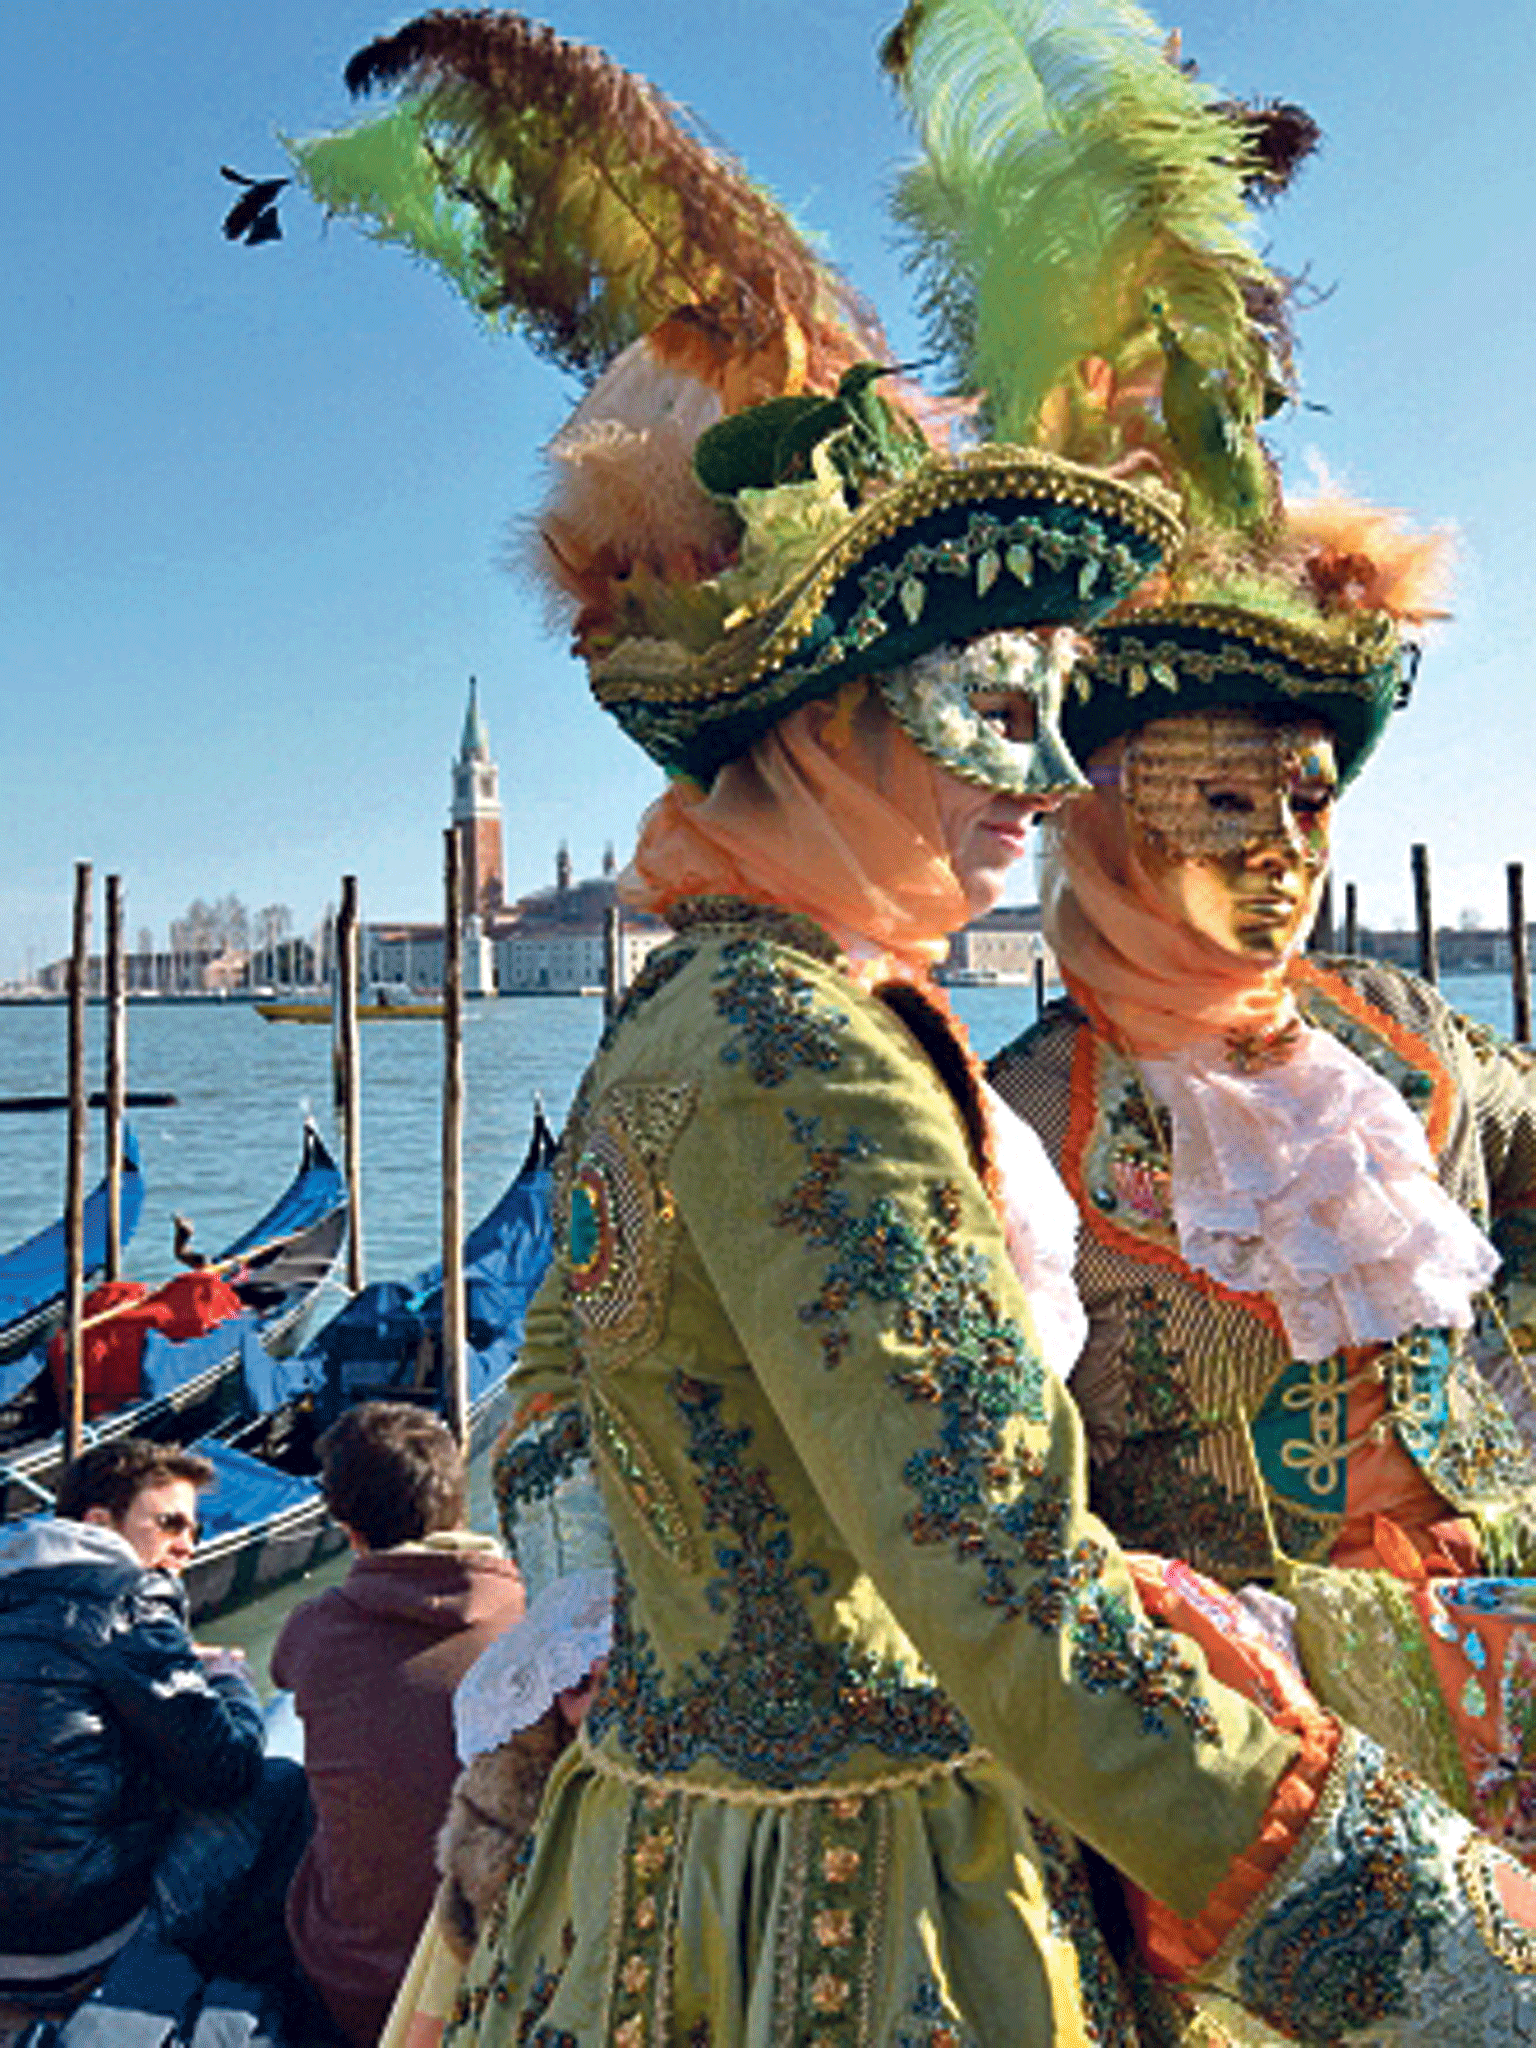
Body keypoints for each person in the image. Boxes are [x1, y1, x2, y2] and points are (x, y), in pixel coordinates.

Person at [285, 6, 1536, 2042]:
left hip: (682, 1865)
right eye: (992, 706)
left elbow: (579, 1450)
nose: (1048, 781)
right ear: (825, 713)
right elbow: (1006, 1602)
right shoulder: (808, 1051)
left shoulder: (704, 1009)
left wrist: (699, 1618)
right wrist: (1465, 1956)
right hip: (869, 1913)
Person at [987, 533, 1536, 1861]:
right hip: (1249, 1746)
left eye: (1308, 802)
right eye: (1225, 805)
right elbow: (982, 1490)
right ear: (1106, 821)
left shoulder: (1400, 1032)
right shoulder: (1010, 1122)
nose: (1284, 850)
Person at [0, 1440, 304, 2030]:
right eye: (168, 1524)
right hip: (71, 1942)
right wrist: (230, 1679)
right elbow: (225, 1770)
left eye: (192, 1528)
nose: (188, 1546)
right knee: (279, 1773)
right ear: (98, 1524)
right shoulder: (128, 1600)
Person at [271, 1402, 526, 2048]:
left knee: (283, 1762)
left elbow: (286, 1675)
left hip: (346, 1979)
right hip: (486, 1987)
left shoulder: (314, 1628)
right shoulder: (530, 1622)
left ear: (348, 1529)